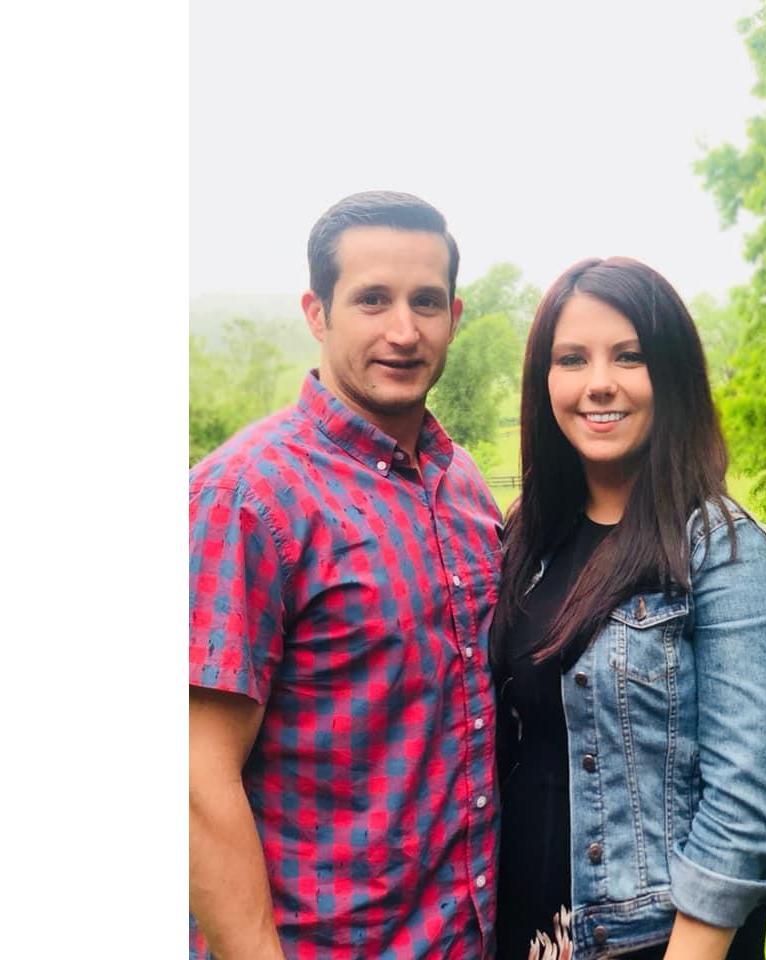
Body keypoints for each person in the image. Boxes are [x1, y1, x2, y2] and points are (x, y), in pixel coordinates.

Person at [189, 191, 502, 960]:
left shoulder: (463, 485)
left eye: (426, 301)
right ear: (317, 313)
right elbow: (195, 780)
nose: (404, 330)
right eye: (372, 300)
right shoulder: (246, 496)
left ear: (454, 316)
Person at [491, 257, 766, 959]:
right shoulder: (528, 538)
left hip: (649, 939)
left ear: (671, 374)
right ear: (545, 380)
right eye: (572, 359)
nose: (599, 383)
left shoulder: (721, 548)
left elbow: (746, 796)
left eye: (629, 356)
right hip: (525, 925)